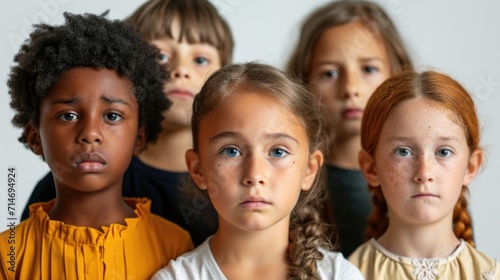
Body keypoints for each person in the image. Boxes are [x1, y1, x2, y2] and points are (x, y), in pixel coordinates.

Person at [20, 0, 234, 246]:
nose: (181, 70)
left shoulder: (235, 179)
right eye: (161, 55)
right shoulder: (77, 178)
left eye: (200, 60)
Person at [0, 12, 193, 279]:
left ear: (139, 138)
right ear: (35, 138)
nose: (90, 134)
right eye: (68, 115)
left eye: (112, 116)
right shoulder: (7, 254)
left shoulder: (175, 246)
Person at [151, 62, 364, 280]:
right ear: (198, 170)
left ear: (309, 170)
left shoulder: (340, 275)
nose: (254, 175)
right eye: (231, 151)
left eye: (278, 152)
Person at [286, 0, 413, 256]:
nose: (350, 88)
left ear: (396, 74)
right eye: (330, 73)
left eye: (368, 69)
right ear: (303, 84)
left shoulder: (425, 176)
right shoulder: (286, 180)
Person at [348, 70, 500, 279]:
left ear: (470, 167)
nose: (424, 173)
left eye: (443, 152)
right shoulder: (347, 274)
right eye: (403, 151)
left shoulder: (490, 274)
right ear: (371, 168)